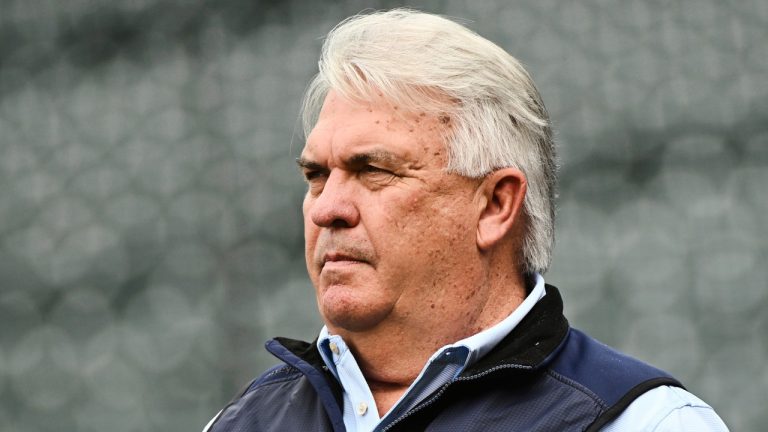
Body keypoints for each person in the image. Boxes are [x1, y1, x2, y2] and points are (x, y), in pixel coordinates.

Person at [204, 8, 728, 432]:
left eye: (374, 170)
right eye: (316, 175)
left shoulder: (643, 422)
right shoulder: (242, 421)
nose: (326, 208)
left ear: (496, 205)